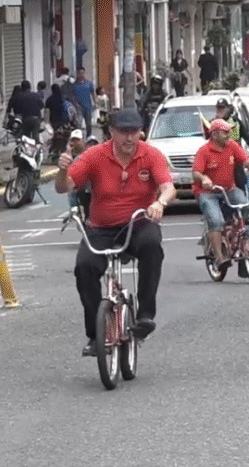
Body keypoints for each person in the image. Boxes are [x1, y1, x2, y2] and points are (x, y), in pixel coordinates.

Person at [55, 108, 175, 357]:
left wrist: (159, 203)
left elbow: (167, 187)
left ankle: (145, 315)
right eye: (123, 133)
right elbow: (64, 187)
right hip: (101, 227)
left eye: (134, 132)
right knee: (84, 267)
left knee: (152, 246)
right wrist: (62, 171)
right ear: (112, 132)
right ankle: (95, 335)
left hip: (138, 222)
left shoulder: (151, 154)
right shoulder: (94, 156)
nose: (129, 139)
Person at [194, 118, 249, 266]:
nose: (228, 135)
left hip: (228, 189)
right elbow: (196, 173)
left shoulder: (232, 146)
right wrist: (204, 178)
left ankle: (235, 234)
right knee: (216, 221)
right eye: (225, 132)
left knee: (245, 204)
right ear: (214, 134)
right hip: (208, 193)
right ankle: (219, 258)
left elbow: (246, 161)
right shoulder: (204, 151)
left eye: (229, 132)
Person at [73, 68, 96, 137]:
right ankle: (79, 137)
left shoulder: (89, 83)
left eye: (82, 73)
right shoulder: (74, 85)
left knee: (88, 124)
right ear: (77, 74)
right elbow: (72, 95)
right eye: (79, 73)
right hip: (78, 107)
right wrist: (75, 104)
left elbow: (93, 93)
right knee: (78, 124)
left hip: (88, 106)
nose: (81, 75)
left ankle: (88, 136)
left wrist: (95, 102)